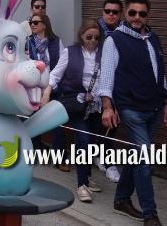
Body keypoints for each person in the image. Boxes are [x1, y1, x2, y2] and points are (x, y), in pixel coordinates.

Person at [96, 0, 167, 226]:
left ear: (147, 15)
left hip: (155, 108)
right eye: (132, 13)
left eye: (142, 13)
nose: (137, 17)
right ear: (125, 14)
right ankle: (151, 215)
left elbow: (161, 73)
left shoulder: (153, 38)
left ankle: (121, 200)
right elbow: (106, 75)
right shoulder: (114, 40)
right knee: (145, 160)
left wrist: (166, 103)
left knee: (137, 156)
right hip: (130, 108)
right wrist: (107, 107)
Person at [47, 19, 106, 203]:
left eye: (96, 38)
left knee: (93, 141)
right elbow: (55, 74)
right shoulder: (70, 52)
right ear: (81, 36)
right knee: (83, 139)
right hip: (77, 104)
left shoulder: (104, 54)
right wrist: (46, 93)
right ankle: (81, 185)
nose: (93, 41)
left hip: (96, 106)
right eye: (89, 37)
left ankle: (87, 177)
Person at [26, 13, 68, 171]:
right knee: (33, 119)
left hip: (52, 87)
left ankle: (60, 157)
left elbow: (62, 65)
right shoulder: (27, 42)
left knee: (57, 122)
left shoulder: (56, 42)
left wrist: (51, 85)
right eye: (31, 22)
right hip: (33, 87)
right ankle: (34, 152)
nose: (33, 25)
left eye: (36, 22)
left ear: (45, 24)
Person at [95, 0, 124, 183]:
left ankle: (107, 160)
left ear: (120, 14)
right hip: (94, 83)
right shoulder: (95, 30)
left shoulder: (125, 33)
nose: (111, 14)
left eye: (115, 11)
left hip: (117, 84)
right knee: (97, 125)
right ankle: (99, 156)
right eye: (108, 11)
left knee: (112, 125)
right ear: (103, 12)